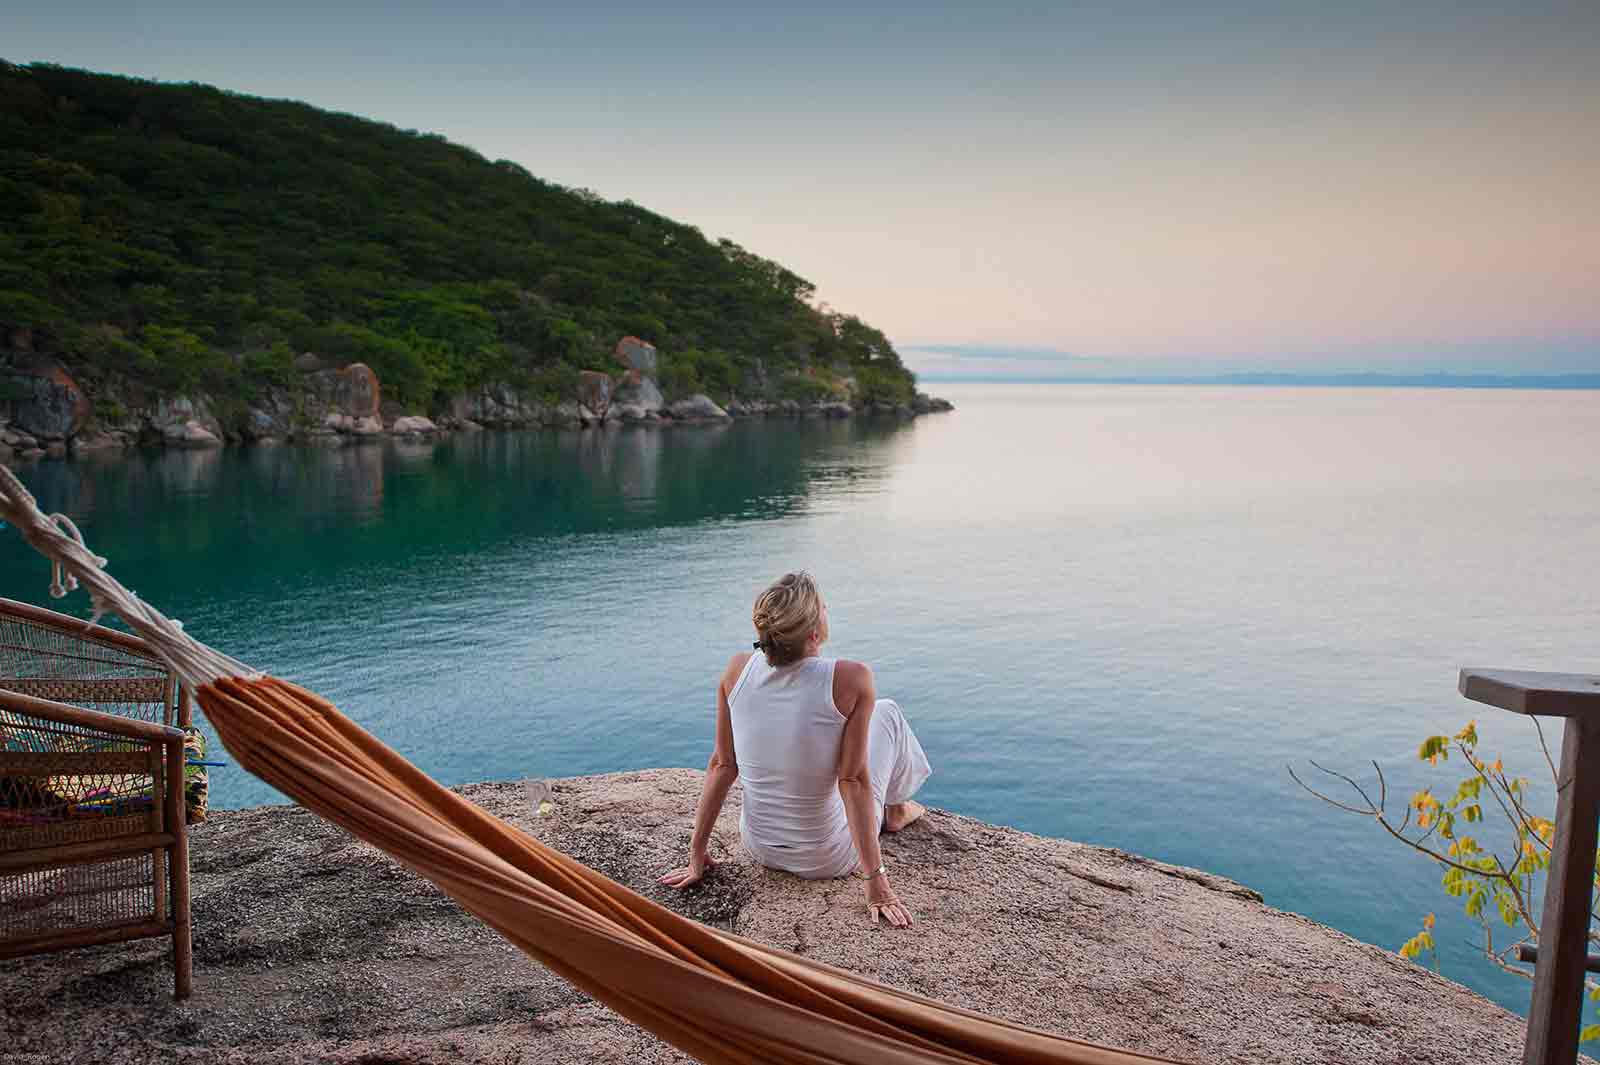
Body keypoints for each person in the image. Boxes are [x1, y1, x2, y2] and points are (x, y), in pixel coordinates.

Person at [659, 571, 932, 927]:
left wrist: (697, 855)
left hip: (760, 846)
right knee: (888, 713)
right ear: (814, 632)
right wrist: (875, 881)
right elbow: (853, 782)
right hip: (827, 858)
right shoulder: (851, 678)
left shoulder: (737, 670)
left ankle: (892, 810)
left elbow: (722, 765)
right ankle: (894, 812)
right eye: (823, 607)